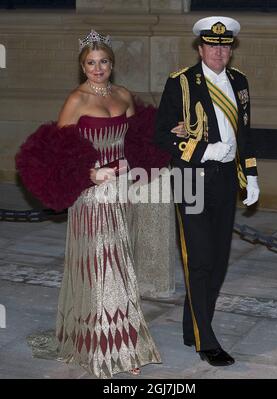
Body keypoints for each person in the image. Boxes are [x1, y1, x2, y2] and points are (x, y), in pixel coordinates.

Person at [52, 30, 161, 378]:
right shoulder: (76, 100)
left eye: (103, 62)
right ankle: (105, 349)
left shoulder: (124, 95)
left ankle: (124, 342)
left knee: (121, 263)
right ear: (82, 66)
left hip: (121, 192)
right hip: (92, 194)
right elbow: (59, 153)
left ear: (112, 64)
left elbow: (139, 141)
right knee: (102, 266)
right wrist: (90, 173)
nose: (97, 68)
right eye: (90, 63)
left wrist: (141, 158)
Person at [155, 16, 259, 367]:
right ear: (200, 48)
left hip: (227, 177)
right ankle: (206, 340)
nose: (219, 52)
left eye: (225, 46)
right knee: (198, 259)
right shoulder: (181, 83)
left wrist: (251, 175)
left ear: (231, 49)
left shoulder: (240, 81)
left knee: (217, 261)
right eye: (212, 46)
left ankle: (192, 327)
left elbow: (245, 133)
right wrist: (202, 150)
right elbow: (161, 136)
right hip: (191, 178)